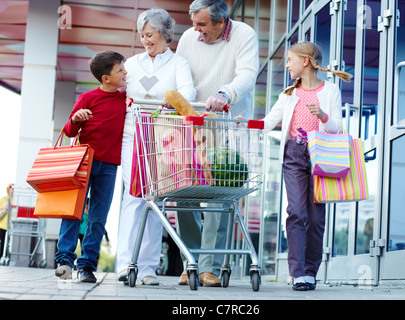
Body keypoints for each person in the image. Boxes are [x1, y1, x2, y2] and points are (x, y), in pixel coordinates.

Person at [239, 41, 352, 291]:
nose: (287, 64)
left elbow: (337, 128)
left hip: (320, 154)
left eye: (290, 60)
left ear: (305, 61)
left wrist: (322, 115)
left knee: (316, 217)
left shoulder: (330, 90)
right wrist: (245, 123)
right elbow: (268, 123)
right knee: (296, 212)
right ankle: (297, 273)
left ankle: (311, 272)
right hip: (293, 155)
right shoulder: (288, 94)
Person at [175, 0, 259, 287]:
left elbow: (247, 73)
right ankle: (190, 261)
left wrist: (225, 93)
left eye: (202, 25)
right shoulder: (189, 38)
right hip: (193, 124)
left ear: (221, 22)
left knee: (218, 193)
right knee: (183, 191)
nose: (196, 31)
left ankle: (208, 265)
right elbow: (180, 72)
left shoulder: (244, 34)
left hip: (227, 123)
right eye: (194, 23)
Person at [115, 8, 196, 286]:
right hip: (132, 132)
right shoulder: (133, 63)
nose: (145, 40)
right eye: (142, 35)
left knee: (156, 199)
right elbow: (118, 91)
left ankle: (147, 268)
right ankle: (127, 264)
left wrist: (171, 99)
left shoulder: (178, 63)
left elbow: (188, 92)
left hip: (163, 133)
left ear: (164, 35)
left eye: (149, 34)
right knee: (134, 195)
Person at [54, 50, 127, 283]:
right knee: (73, 212)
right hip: (84, 162)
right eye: (121, 70)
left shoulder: (126, 100)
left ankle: (86, 266)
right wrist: (76, 118)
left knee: (98, 217)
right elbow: (69, 130)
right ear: (106, 78)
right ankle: (65, 261)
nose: (125, 73)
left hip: (109, 166)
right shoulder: (87, 98)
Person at [0, 184, 13, 260]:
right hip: (2, 225)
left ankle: (4, 255)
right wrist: (2, 207)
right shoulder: (4, 199)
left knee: (6, 242)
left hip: (10, 225)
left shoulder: (15, 200)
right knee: (2, 241)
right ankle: (2, 255)